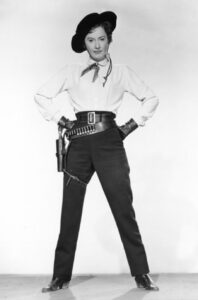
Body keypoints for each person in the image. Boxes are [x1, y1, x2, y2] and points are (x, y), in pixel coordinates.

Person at [34, 11, 159, 293]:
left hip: (110, 145)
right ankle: (60, 276)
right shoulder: (69, 71)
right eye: (91, 40)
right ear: (84, 43)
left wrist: (128, 127)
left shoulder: (123, 72)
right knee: (70, 210)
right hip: (78, 145)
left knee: (123, 208)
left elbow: (151, 98)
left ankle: (141, 273)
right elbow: (40, 95)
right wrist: (63, 121)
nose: (97, 45)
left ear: (109, 40)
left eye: (101, 39)